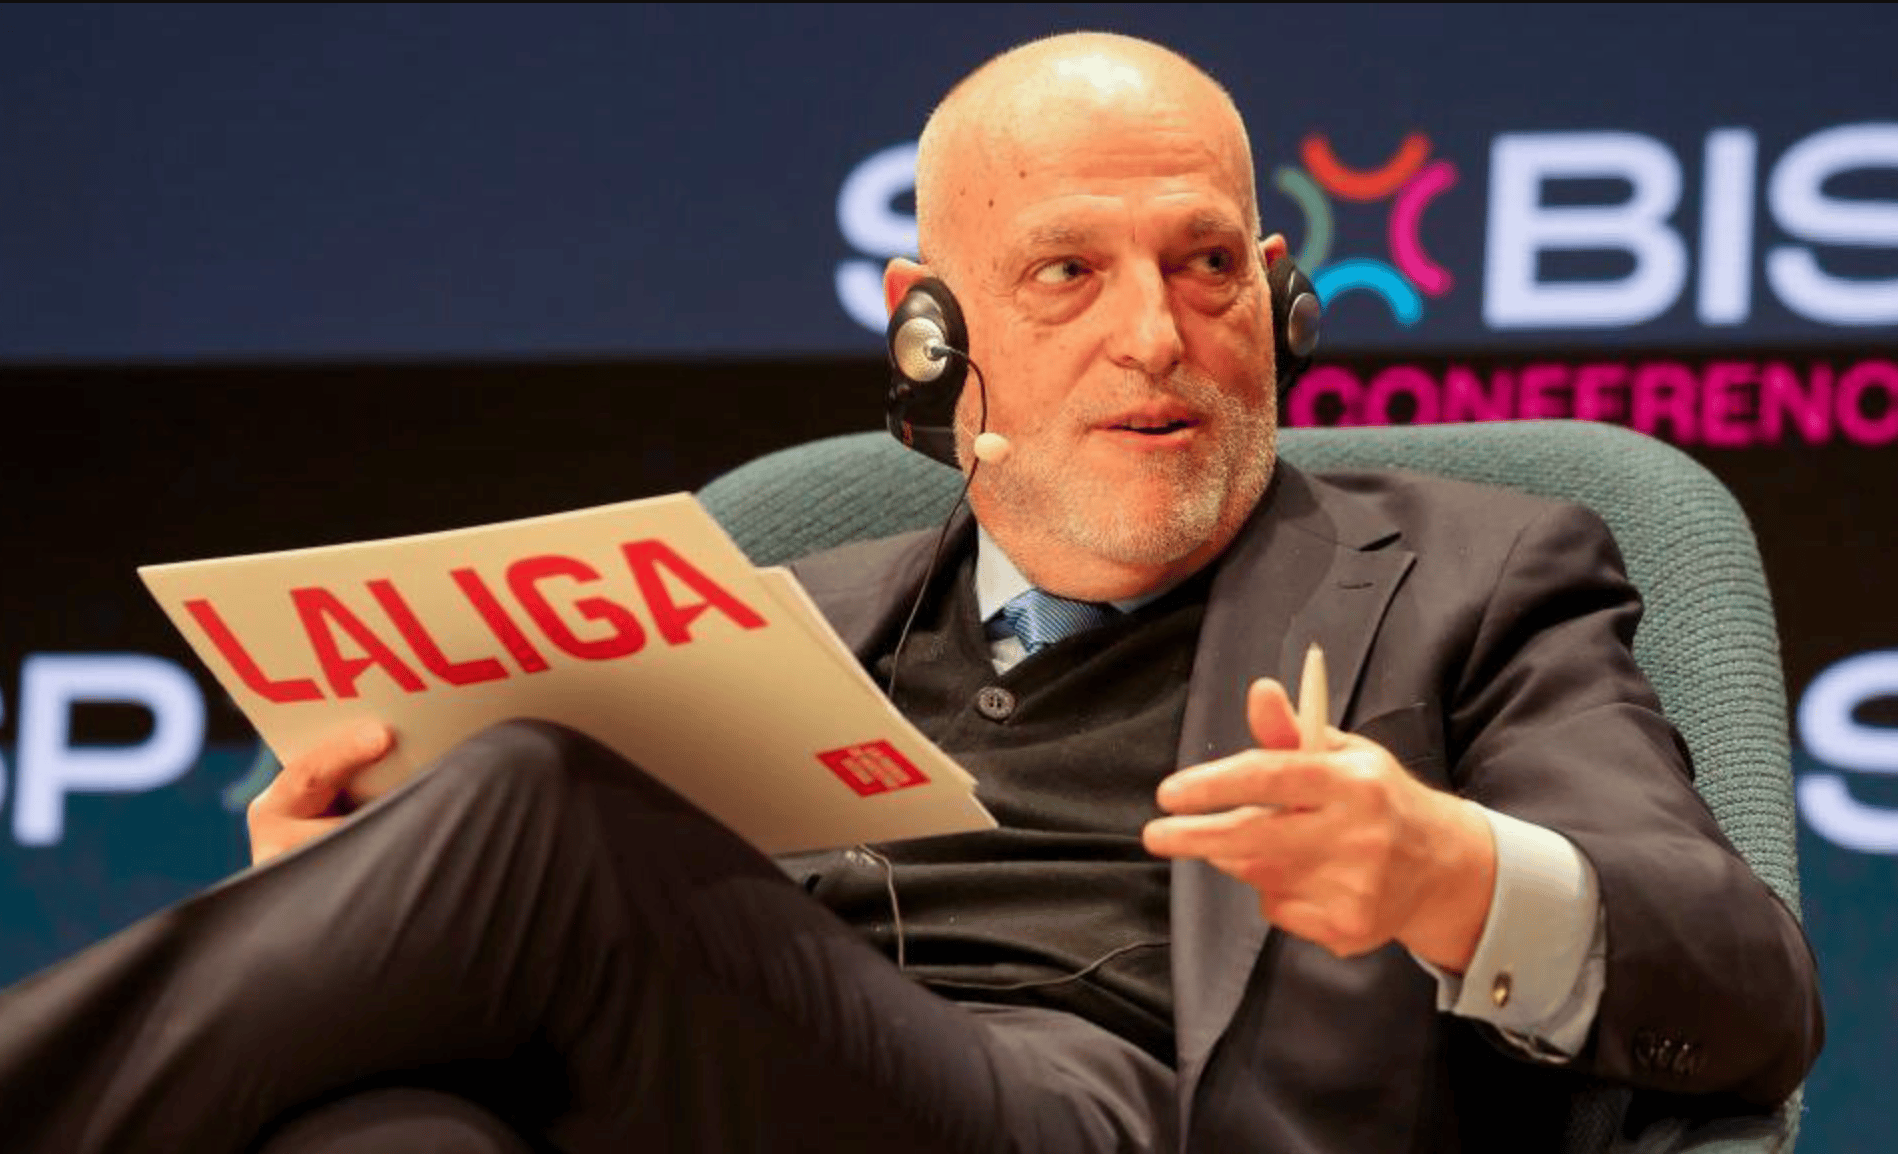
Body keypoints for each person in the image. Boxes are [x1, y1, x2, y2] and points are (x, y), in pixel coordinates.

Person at [0, 31, 1819, 1154]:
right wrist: (347, 902)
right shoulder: (779, 599)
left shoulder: (1483, 569)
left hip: (1120, 1109)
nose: (1156, 334)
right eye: (1066, 273)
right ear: (931, 332)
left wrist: (1445, 871)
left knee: (543, 797)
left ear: (1281, 296)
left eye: (1205, 265)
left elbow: (1740, 988)